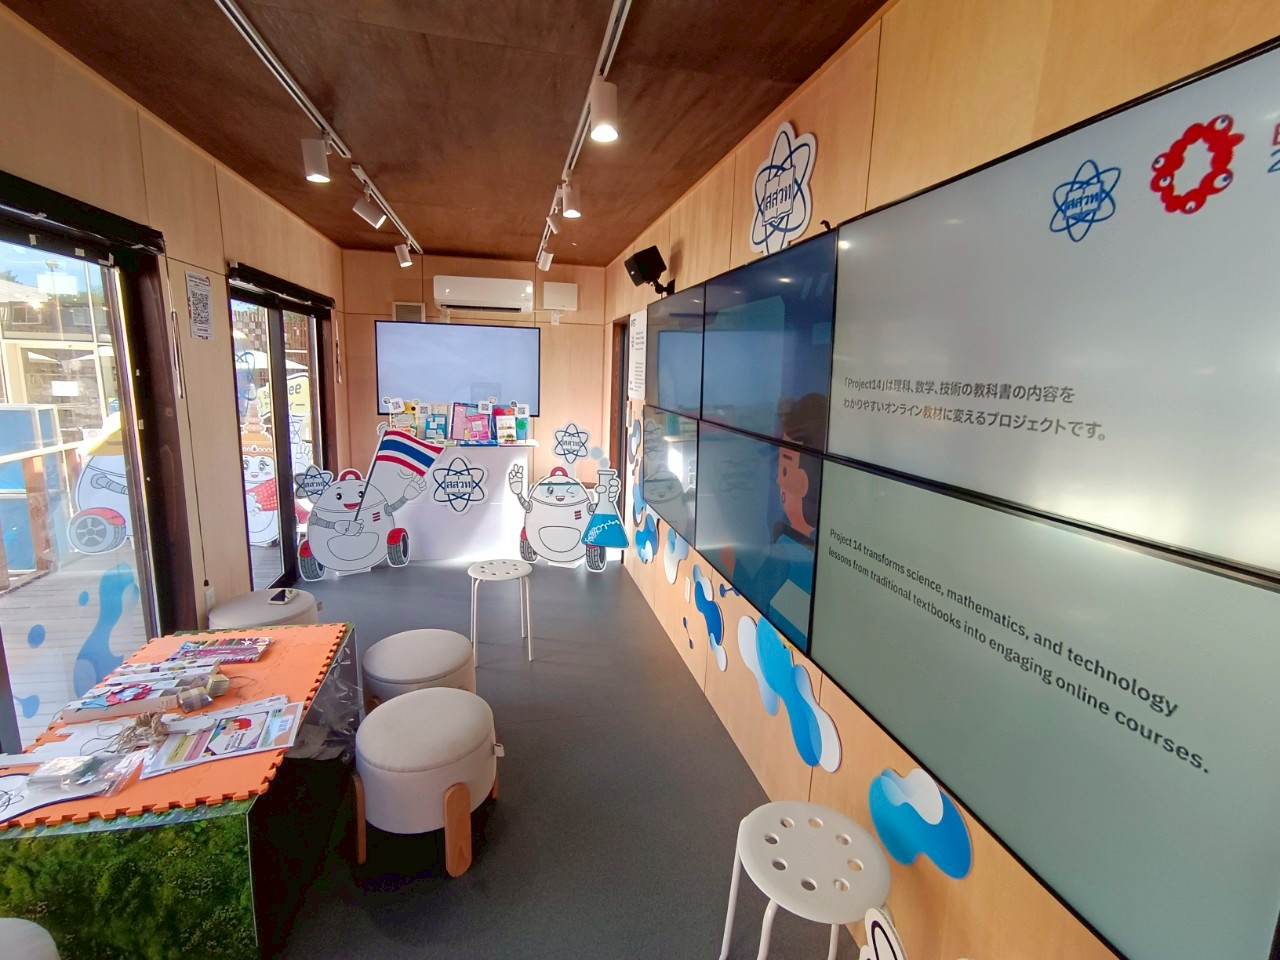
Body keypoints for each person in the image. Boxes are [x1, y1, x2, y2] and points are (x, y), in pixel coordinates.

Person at [720, 393, 823, 641]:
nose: (778, 480)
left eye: (784, 470)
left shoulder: (791, 551)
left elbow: (759, 594)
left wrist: (732, 556)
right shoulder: (786, 538)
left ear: (805, 480)